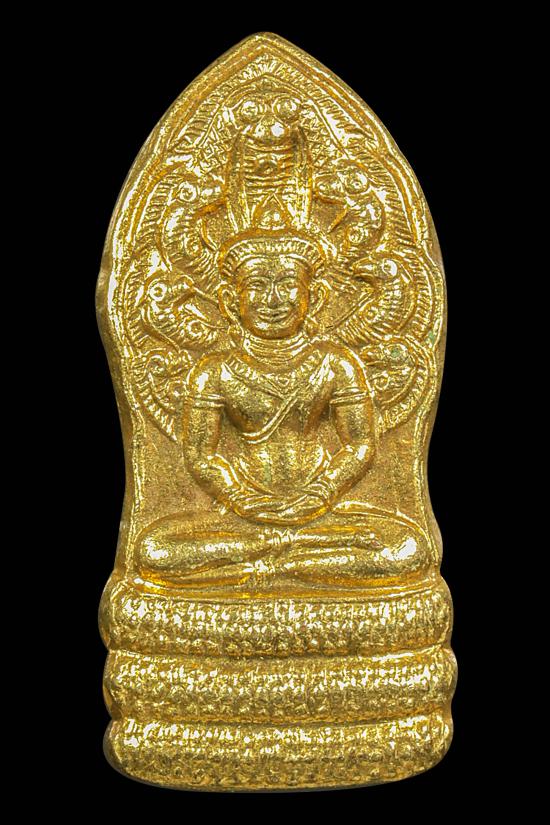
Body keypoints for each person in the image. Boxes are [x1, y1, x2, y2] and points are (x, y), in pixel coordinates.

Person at [137, 228, 430, 587]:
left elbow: (360, 444)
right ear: (230, 300)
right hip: (241, 514)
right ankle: (289, 557)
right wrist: (239, 498)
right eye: (257, 285)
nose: (272, 300)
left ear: (316, 297)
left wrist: (321, 493)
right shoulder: (214, 371)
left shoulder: (336, 363)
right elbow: (200, 455)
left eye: (288, 284)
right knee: (153, 550)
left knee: (407, 548)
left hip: (321, 511)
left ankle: (265, 566)